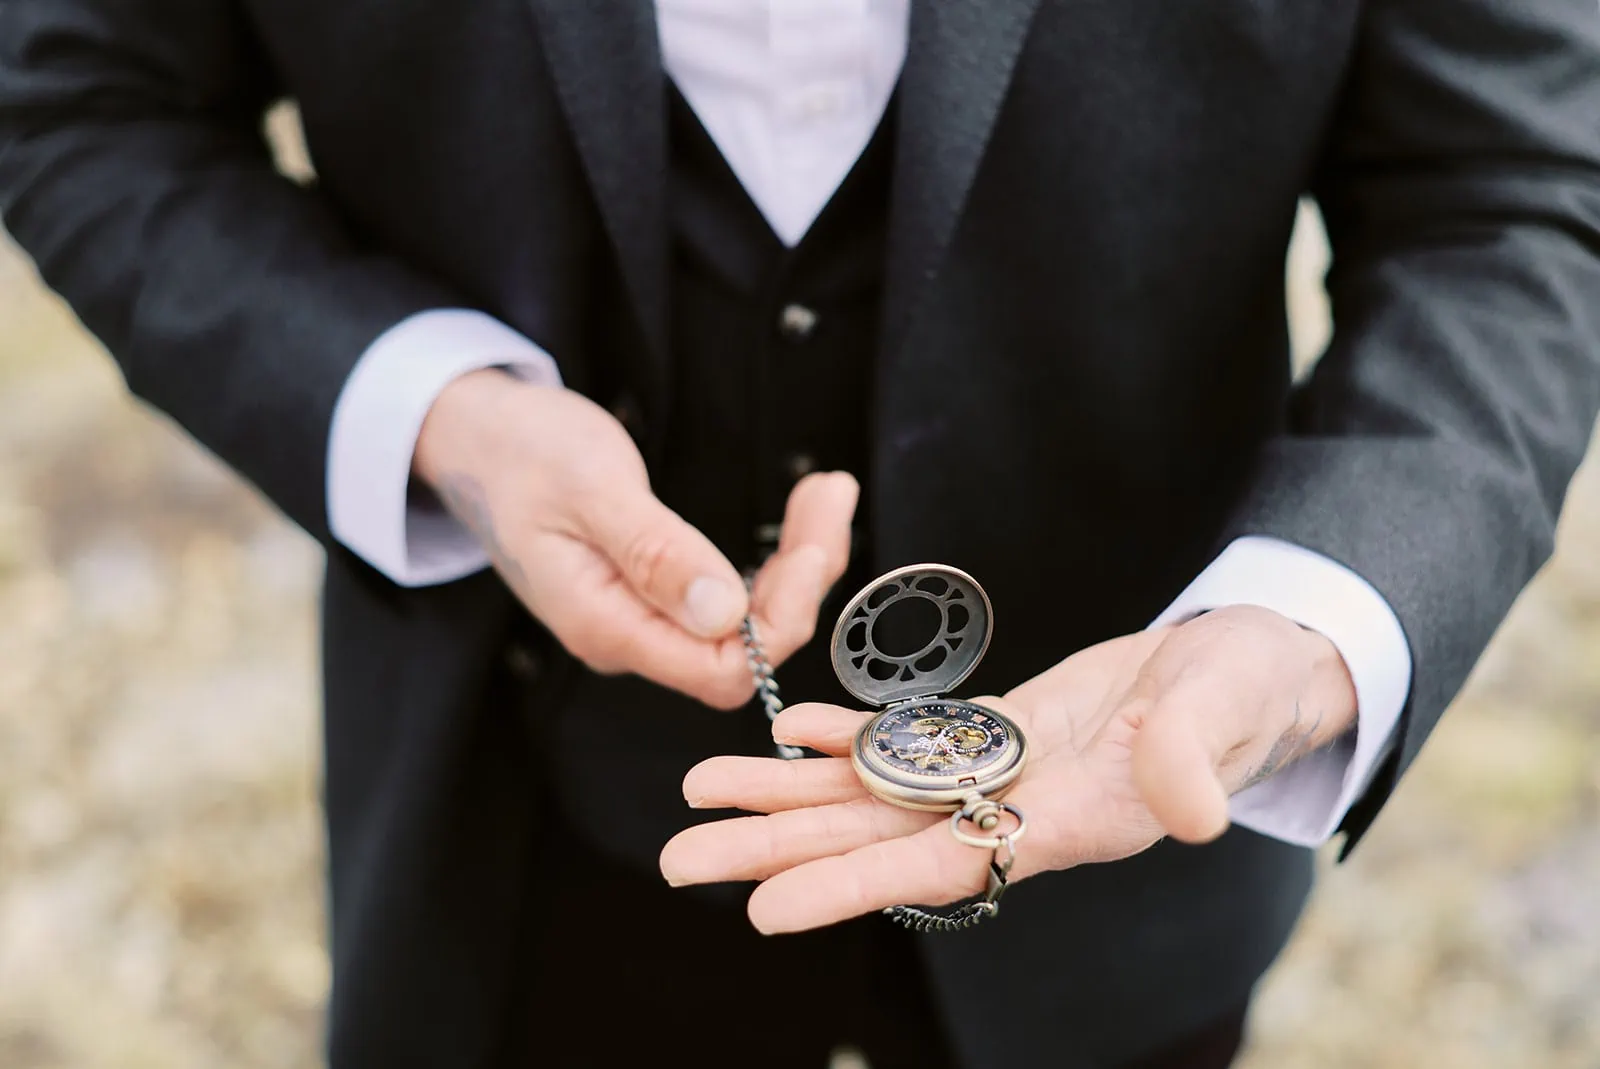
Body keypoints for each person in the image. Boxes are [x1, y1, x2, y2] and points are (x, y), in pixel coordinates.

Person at [2, 2, 1598, 1067]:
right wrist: (442, 420)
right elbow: (79, 97)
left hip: (1129, 842)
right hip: (522, 816)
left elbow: (1513, 191)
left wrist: (1309, 627)